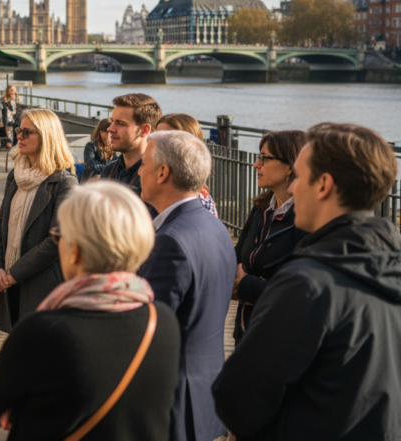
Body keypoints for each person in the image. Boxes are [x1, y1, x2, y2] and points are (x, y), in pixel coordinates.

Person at [213, 123, 401, 440]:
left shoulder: (307, 283)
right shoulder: (389, 263)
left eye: (299, 176)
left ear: (323, 185)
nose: (294, 188)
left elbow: (236, 395)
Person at [0, 182, 181, 440]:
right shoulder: (161, 321)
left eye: (59, 237)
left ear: (75, 251)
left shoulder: (44, 330)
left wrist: (22, 409)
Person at [137, 130, 235, 441]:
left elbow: (148, 329)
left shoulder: (170, 241)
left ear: (162, 172)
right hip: (205, 394)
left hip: (172, 402)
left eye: (143, 164)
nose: (138, 171)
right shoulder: (214, 226)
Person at [0, 108, 78, 332]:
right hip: (9, 281)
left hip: (41, 285)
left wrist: (14, 274)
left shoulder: (64, 183)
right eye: (19, 130)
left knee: (37, 357)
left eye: (27, 132)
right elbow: (1, 224)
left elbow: (58, 240)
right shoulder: (15, 176)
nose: (19, 136)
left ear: (47, 136)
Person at [232, 130, 307, 343]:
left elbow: (297, 293)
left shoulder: (305, 219)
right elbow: (236, 259)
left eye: (264, 158)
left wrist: (245, 285)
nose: (256, 164)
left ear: (291, 166)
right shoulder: (261, 208)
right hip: (247, 333)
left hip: (281, 340)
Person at [100, 93, 161, 215]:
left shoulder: (158, 177)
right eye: (112, 121)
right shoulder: (109, 170)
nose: (110, 128)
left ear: (144, 130)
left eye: (120, 123)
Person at [156, 113, 218, 216]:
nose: (156, 144)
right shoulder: (162, 184)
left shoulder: (195, 201)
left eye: (166, 140)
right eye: (156, 137)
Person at [80, 118, 113, 183]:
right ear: (101, 132)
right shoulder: (91, 146)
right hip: (90, 184)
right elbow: (90, 165)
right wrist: (110, 167)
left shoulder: (113, 148)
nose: (111, 137)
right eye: (109, 133)